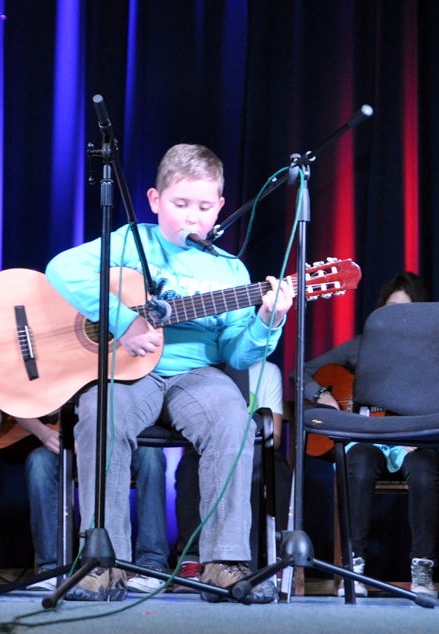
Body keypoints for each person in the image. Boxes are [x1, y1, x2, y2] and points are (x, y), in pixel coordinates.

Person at [44, 143, 293, 602]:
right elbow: (62, 269)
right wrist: (124, 321)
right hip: (128, 373)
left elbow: (237, 355)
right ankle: (104, 562)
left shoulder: (229, 270)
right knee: (99, 413)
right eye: (180, 204)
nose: (192, 217)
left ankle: (224, 563)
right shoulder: (130, 242)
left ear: (220, 207)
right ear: (155, 201)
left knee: (233, 418)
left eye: (204, 207)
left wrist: (268, 320)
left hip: (195, 375)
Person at [298, 272, 439, 599]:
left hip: (418, 442)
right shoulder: (362, 346)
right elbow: (302, 372)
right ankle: (352, 567)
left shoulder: (436, 352)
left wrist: (419, 432)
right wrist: (322, 395)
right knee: (357, 458)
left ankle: (422, 569)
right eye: (390, 308)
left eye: (406, 309)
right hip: (372, 440)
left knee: (423, 467)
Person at [15, 413, 169, 593]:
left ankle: (152, 565)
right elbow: (15, 403)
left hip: (128, 435)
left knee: (151, 456)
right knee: (39, 461)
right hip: (74, 440)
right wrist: (44, 433)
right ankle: (51, 567)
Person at [174, 360, 292, 588]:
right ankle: (192, 557)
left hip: (255, 445)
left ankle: (273, 559)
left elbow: (274, 436)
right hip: (209, 446)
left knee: (277, 468)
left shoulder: (268, 371)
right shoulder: (202, 367)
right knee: (190, 466)